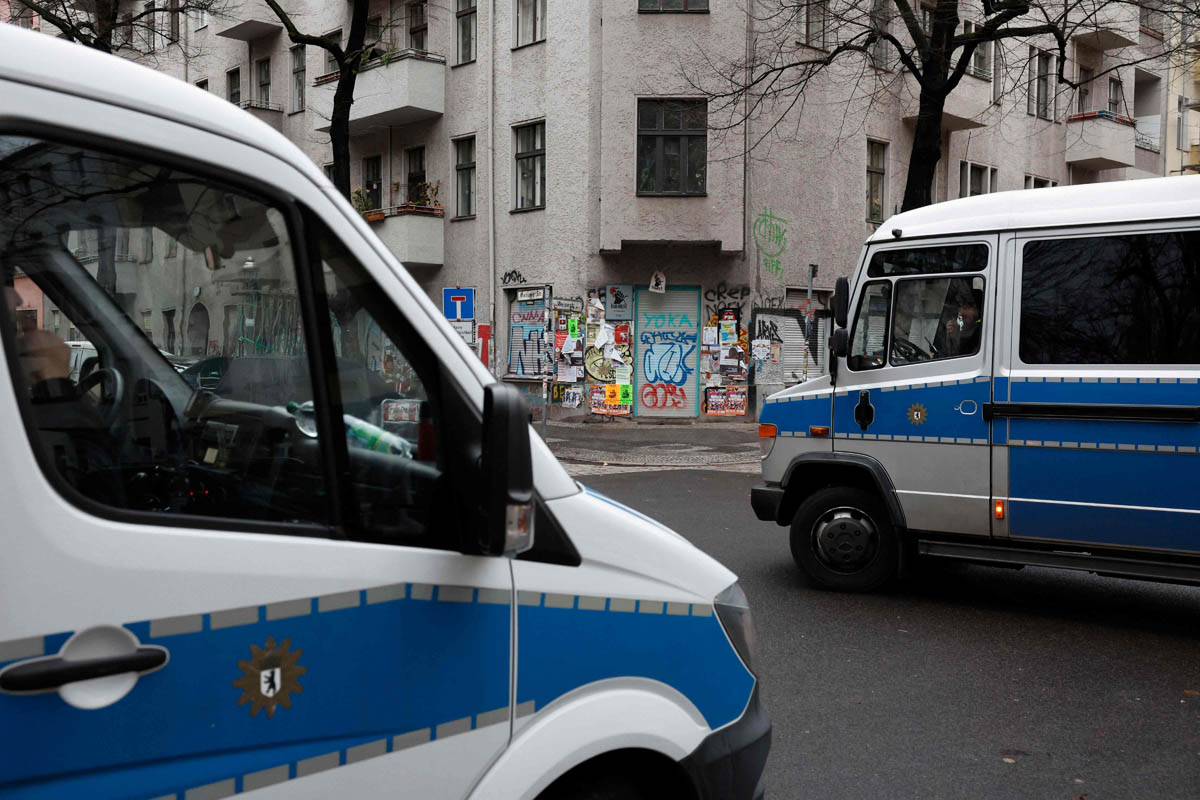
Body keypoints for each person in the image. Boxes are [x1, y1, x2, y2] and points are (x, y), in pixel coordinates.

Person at [936, 287, 983, 358]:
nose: (961, 312)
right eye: (962, 308)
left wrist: (955, 336)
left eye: (966, 308)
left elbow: (955, 358)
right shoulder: (959, 325)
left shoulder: (978, 335)